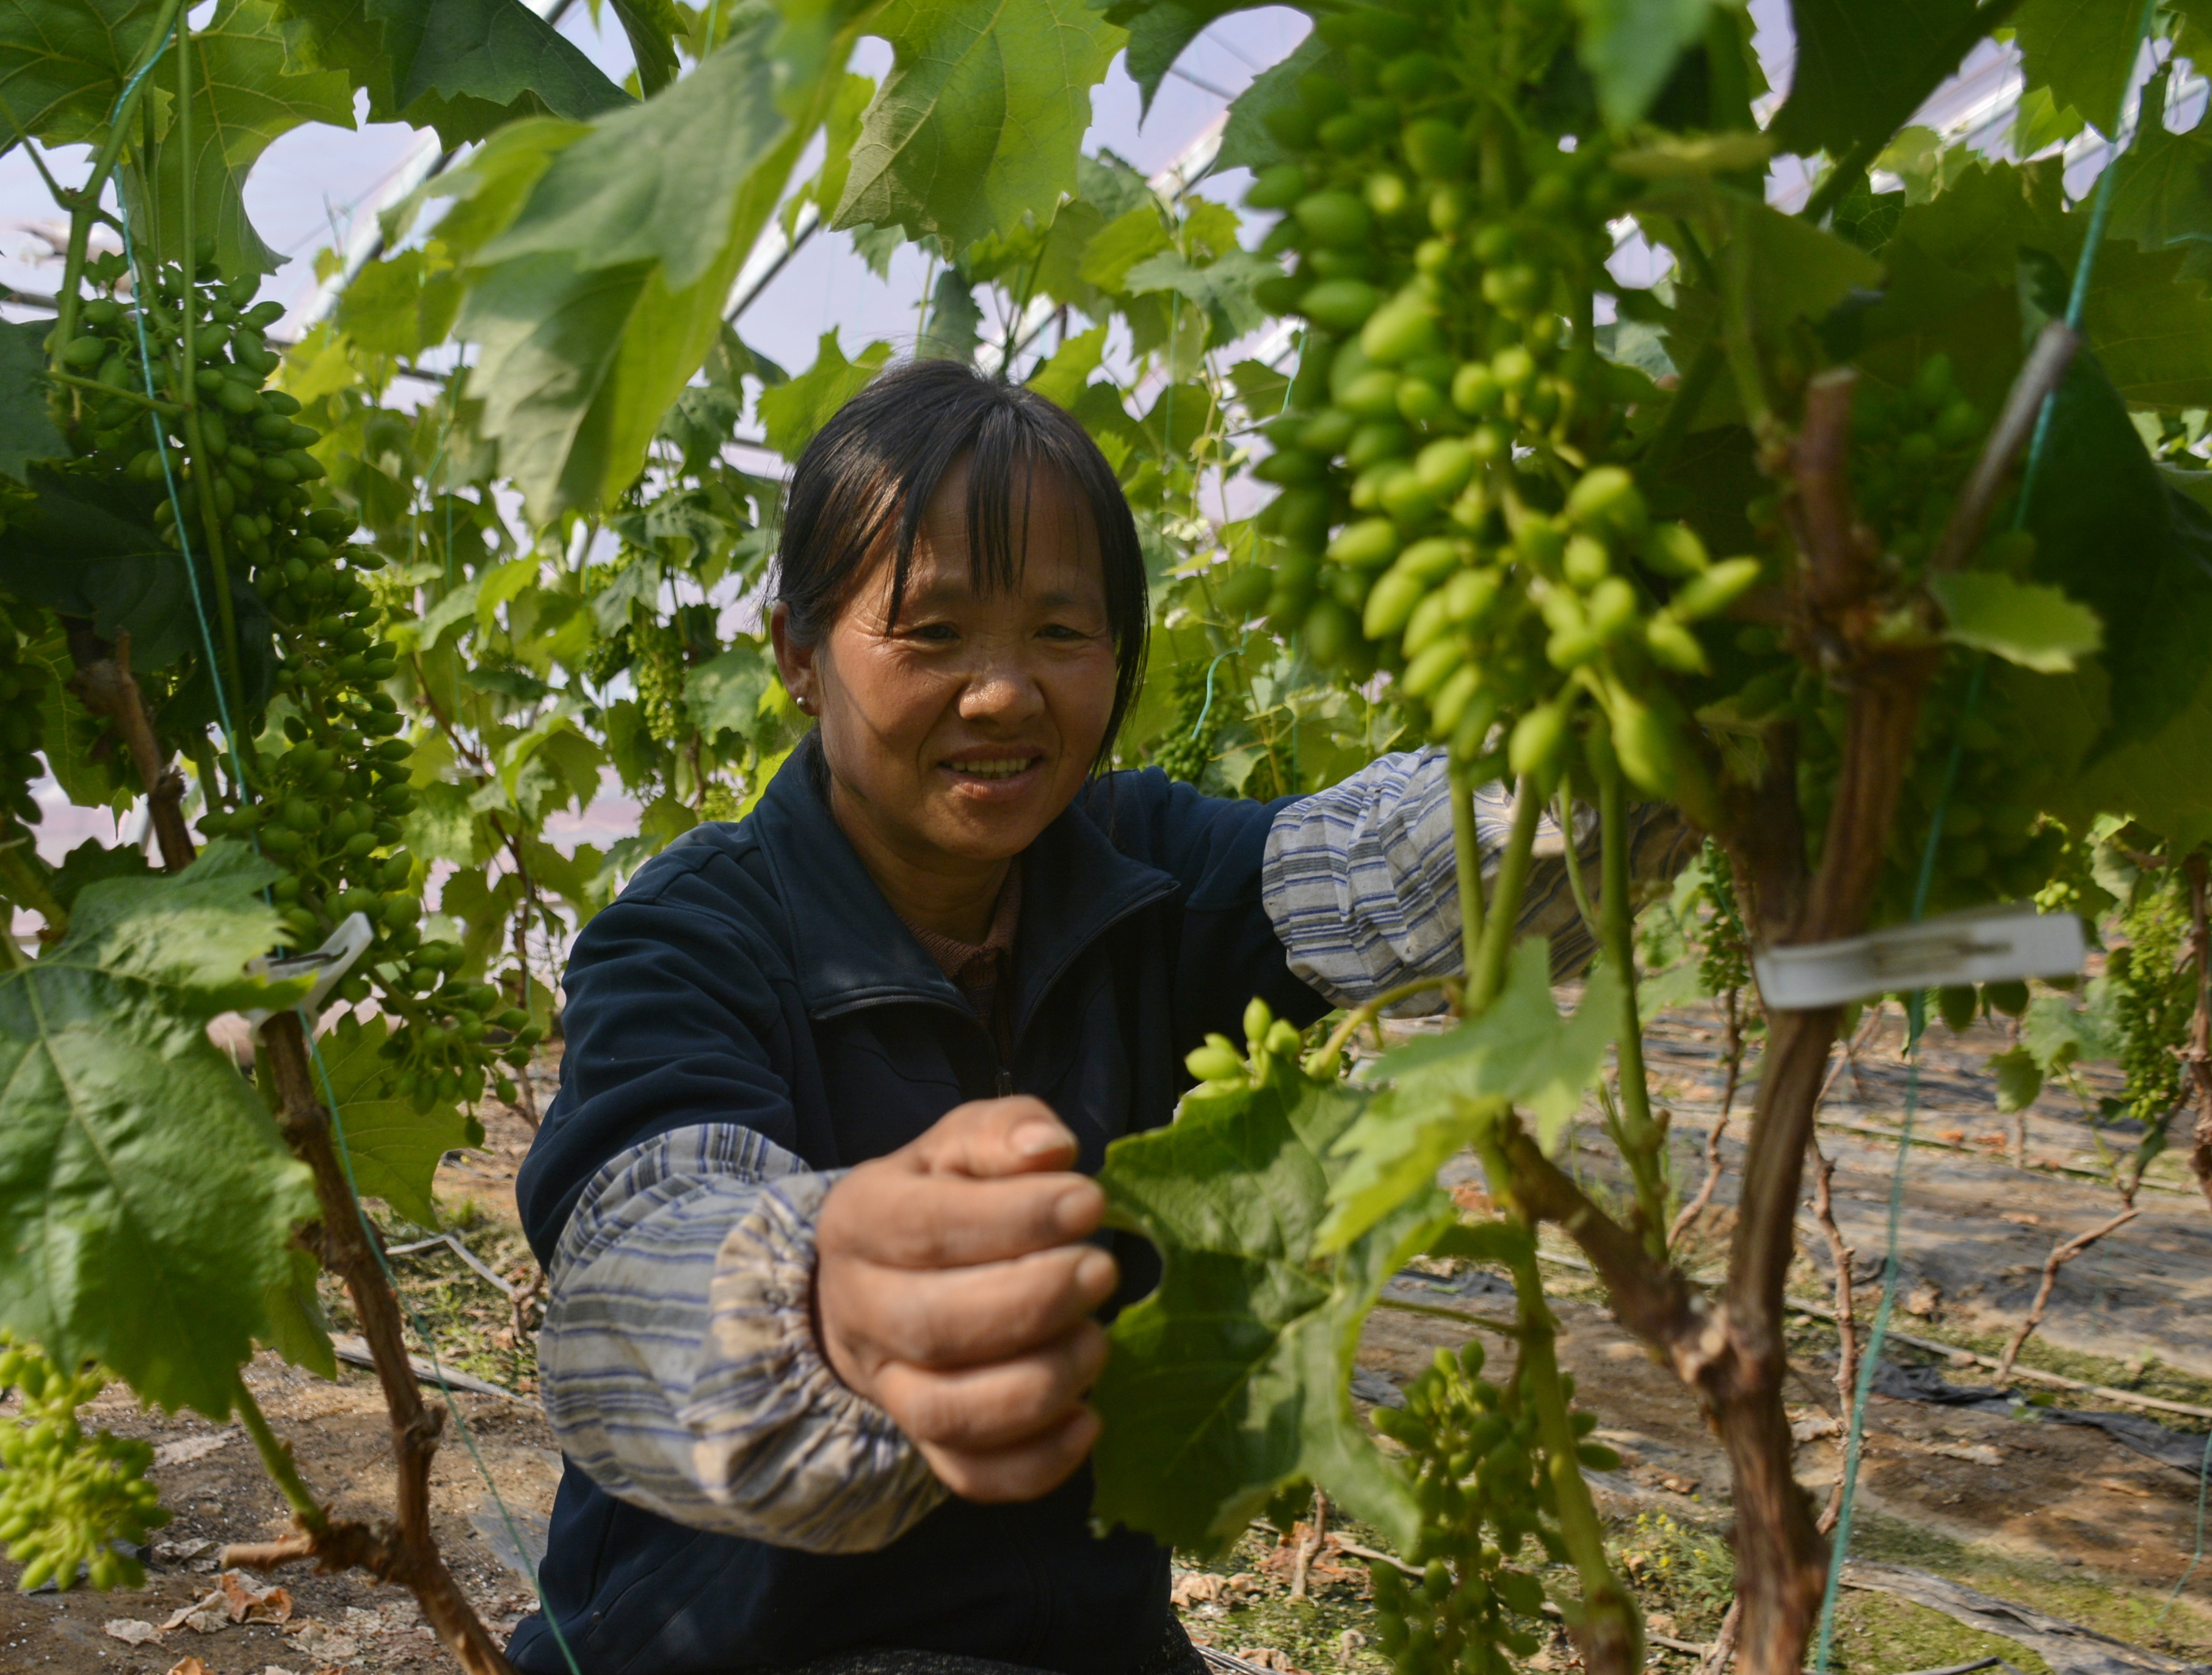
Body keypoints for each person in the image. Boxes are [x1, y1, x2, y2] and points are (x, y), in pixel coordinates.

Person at [507, 358, 1692, 1675]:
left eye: (1062, 635)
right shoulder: (692, 932)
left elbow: (1385, 876)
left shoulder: (1139, 865)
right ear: (797, 654)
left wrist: (1649, 705)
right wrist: (821, 1299)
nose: (1004, 691)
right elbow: (637, 1238)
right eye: (934, 632)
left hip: (1085, 1643)